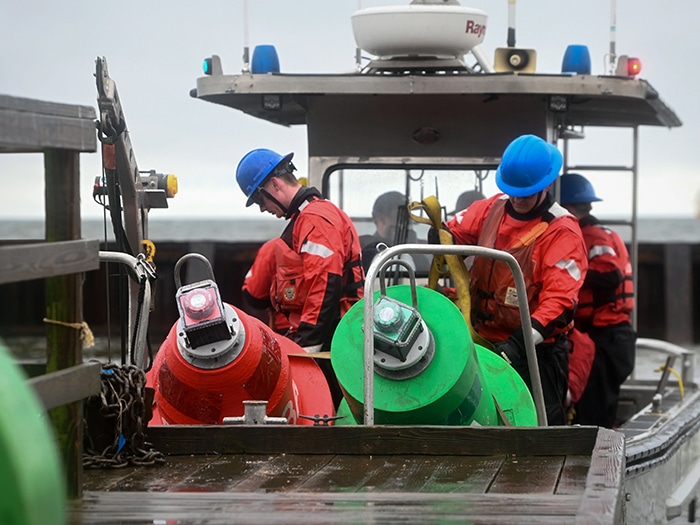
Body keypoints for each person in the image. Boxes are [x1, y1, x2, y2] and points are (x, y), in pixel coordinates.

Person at [442, 134, 588, 425]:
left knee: (542, 425)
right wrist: (439, 237)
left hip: (536, 353)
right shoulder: (490, 209)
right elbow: (452, 231)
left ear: (546, 185)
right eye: (514, 191)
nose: (519, 198)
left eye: (527, 191)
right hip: (482, 343)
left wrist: (519, 344)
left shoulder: (563, 232)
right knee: (476, 418)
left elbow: (560, 300)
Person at [236, 148, 365, 407]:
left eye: (261, 201)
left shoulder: (315, 219)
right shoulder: (307, 218)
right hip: (330, 331)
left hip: (335, 334)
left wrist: (308, 347)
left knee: (321, 408)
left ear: (274, 184)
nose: (263, 209)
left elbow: (324, 285)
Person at [559, 172, 636, 428]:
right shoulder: (599, 232)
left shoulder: (592, 235)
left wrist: (564, 272)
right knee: (596, 406)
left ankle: (597, 462)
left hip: (605, 338)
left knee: (594, 412)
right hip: (610, 337)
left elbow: (610, 274)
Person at [360, 191, 430, 274]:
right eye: (401, 218)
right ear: (381, 218)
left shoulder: (425, 248)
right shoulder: (361, 249)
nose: (407, 224)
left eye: (409, 219)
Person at [241, 237, 291, 334]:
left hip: (287, 327)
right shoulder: (328, 241)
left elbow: (254, 295)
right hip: (326, 327)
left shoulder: (274, 246)